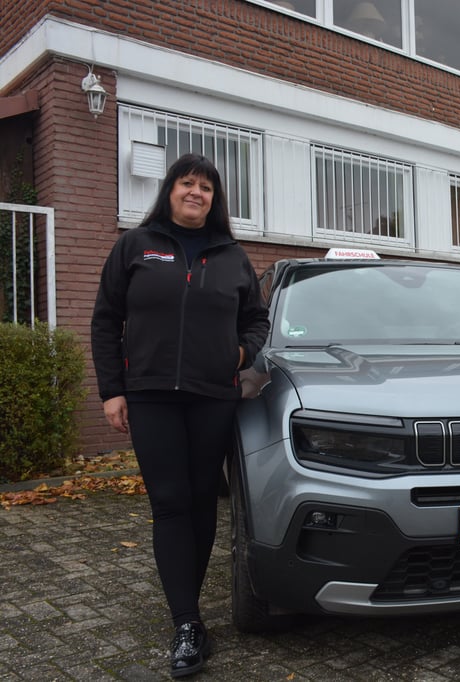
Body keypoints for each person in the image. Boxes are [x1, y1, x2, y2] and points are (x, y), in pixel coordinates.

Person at [91, 154, 269, 677]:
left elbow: (255, 321)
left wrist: (239, 356)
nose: (196, 193)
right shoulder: (135, 246)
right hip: (150, 396)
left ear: (216, 200)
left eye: (206, 187)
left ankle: (186, 610)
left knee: (201, 502)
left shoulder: (233, 256)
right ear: (169, 190)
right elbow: (106, 319)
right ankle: (187, 622)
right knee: (170, 504)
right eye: (187, 183)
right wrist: (111, 391)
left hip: (212, 395)